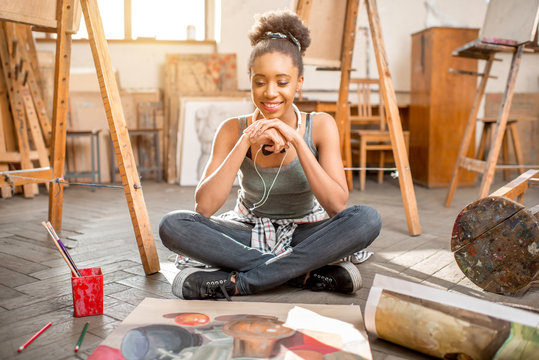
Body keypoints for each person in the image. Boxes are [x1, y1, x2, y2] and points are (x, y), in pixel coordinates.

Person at [159, 9, 381, 301]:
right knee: (172, 225)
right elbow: (204, 207)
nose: (270, 93)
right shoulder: (231, 129)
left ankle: (241, 282)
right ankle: (304, 273)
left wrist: (298, 142)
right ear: (250, 80)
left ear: (299, 82)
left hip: (307, 231)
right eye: (260, 81)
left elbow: (337, 206)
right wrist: (245, 141)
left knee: (367, 219)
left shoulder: (321, 126)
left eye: (282, 81)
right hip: (247, 232)